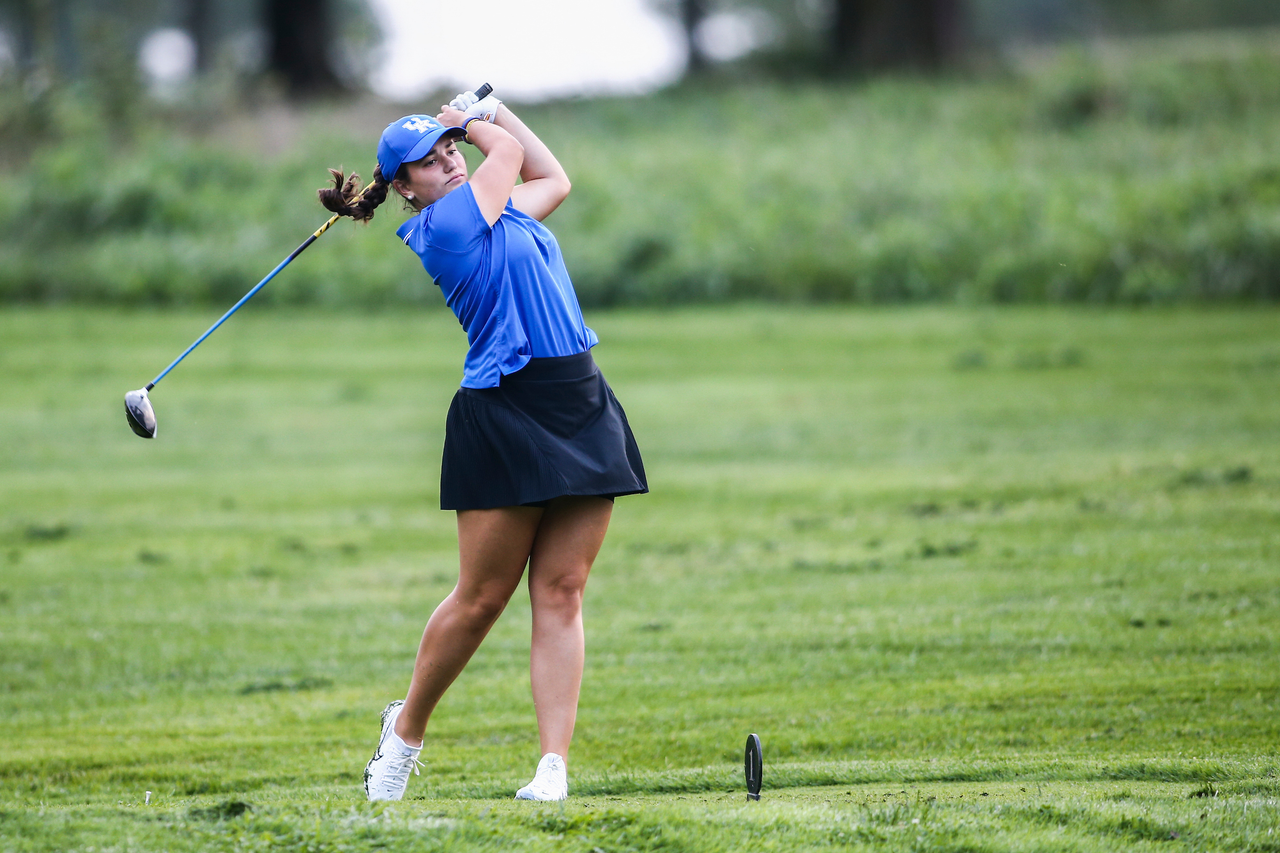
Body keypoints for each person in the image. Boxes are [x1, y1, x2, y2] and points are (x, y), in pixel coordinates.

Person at [319, 89, 647, 803]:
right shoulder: (445, 228)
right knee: (482, 597)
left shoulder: (501, 211)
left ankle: (552, 768)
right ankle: (403, 734)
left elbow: (552, 177)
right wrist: (469, 121)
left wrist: (482, 118)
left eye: (447, 154)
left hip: (579, 399)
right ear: (406, 189)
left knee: (562, 591)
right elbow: (506, 153)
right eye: (430, 164)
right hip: (505, 410)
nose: (447, 163)